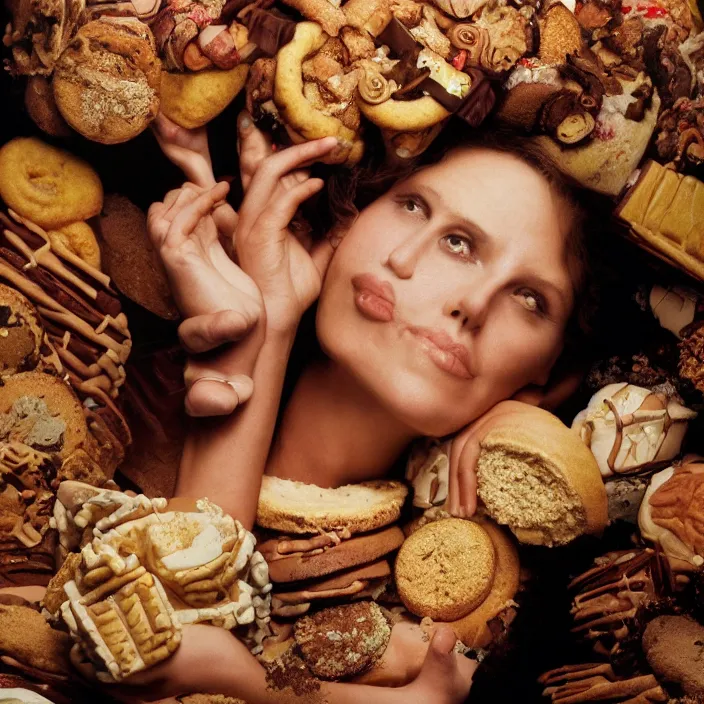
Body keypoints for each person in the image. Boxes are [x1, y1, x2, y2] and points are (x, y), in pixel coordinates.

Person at [129, 111, 598, 703]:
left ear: (547, 373)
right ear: (349, 220)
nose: (475, 305)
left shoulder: (456, 614)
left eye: (530, 299)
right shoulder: (116, 411)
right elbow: (141, 643)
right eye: (454, 239)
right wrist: (264, 323)